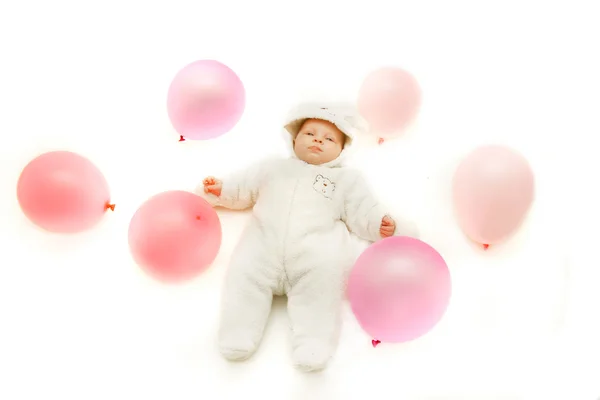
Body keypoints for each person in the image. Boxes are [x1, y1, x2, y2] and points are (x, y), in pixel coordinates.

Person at [195, 101, 417, 371]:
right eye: (310, 133)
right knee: (243, 278)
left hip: (314, 257)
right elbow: (242, 189)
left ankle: (313, 343)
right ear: (295, 137)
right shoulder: (272, 168)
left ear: (342, 148)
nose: (317, 141)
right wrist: (220, 190)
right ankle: (237, 333)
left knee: (321, 292)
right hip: (262, 248)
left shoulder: (346, 180)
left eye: (328, 138)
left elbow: (363, 210)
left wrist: (381, 225)